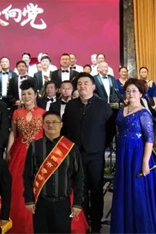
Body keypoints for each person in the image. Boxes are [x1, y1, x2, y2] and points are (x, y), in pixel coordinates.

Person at [110, 79, 156, 233]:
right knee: (123, 190)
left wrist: (145, 162)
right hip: (123, 154)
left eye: (134, 91)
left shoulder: (144, 113)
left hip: (137, 155)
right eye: (128, 91)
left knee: (137, 190)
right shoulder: (122, 110)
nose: (130, 94)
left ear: (141, 93)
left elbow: (149, 139)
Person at [62, 73, 112, 234]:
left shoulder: (103, 106)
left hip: (95, 154)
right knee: (79, 189)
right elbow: (65, 129)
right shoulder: (71, 106)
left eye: (86, 83)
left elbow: (110, 130)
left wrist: (100, 145)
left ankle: (96, 224)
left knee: (96, 189)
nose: (82, 86)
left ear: (93, 86)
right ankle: (82, 224)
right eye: (79, 84)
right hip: (75, 154)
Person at [23, 112, 85, 234]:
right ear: (43, 125)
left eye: (54, 122)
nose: (51, 125)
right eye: (47, 122)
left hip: (63, 203)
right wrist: (29, 199)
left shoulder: (71, 148)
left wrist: (77, 203)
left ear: (61, 125)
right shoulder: (35, 146)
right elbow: (27, 175)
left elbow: (79, 177)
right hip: (41, 203)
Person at [6, 80, 46, 233]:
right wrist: (9, 151)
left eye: (29, 93)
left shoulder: (43, 113)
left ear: (35, 94)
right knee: (17, 187)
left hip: (39, 152)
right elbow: (13, 133)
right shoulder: (17, 113)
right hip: (20, 152)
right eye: (23, 94)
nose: (26, 96)